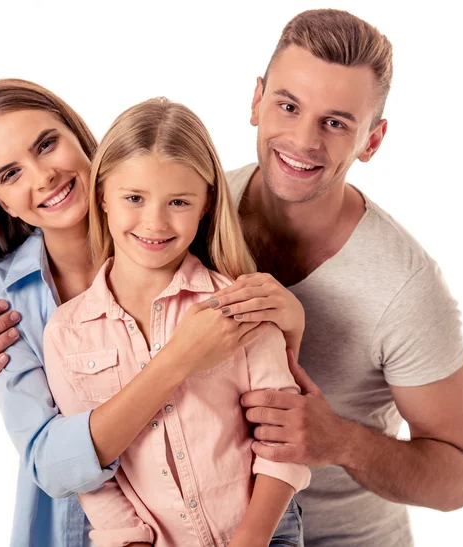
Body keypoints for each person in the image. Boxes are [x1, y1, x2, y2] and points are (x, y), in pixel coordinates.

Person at [0, 79, 298, 547]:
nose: (43, 176)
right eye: (10, 174)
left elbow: (276, 411)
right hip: (73, 529)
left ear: (81, 137)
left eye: (47, 144)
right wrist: (178, 358)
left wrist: (293, 320)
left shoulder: (190, 232)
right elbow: (52, 463)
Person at [206, 8, 463, 546]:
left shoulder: (406, 288)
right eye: (288, 106)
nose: (303, 141)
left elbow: (459, 479)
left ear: (371, 142)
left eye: (335, 123)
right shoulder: (191, 214)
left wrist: (340, 443)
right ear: (256, 101)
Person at [43, 97, 310, 547]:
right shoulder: (68, 332)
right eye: (134, 198)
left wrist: (250, 539)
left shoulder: (237, 303)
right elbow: (95, 477)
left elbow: (281, 441)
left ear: (207, 203)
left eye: (179, 202)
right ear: (102, 194)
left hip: (263, 535)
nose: (155, 222)